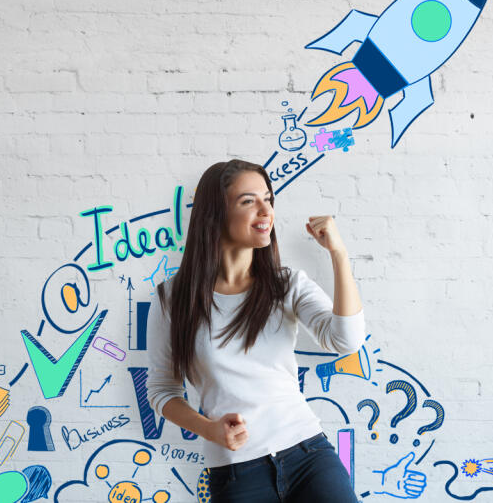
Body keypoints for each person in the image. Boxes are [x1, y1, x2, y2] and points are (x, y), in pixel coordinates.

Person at [146, 159, 365, 502]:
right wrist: (209, 430)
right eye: (248, 201)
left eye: (269, 199)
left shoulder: (286, 285)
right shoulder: (172, 298)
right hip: (236, 471)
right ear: (215, 213)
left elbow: (346, 341)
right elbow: (161, 390)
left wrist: (339, 255)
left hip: (308, 454)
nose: (266, 211)